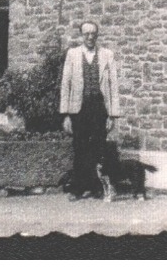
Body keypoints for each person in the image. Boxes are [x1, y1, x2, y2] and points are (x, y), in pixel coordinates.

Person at [59, 20, 120, 200]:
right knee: (80, 148)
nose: (90, 37)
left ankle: (96, 187)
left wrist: (113, 115)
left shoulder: (107, 55)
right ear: (81, 35)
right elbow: (66, 84)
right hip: (79, 108)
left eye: (93, 33)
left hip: (99, 108)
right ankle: (78, 188)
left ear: (97, 35)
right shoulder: (72, 54)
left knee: (98, 148)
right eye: (86, 34)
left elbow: (113, 86)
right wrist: (66, 115)